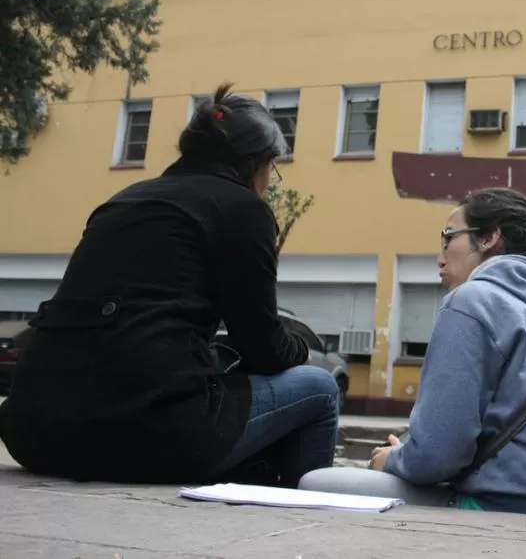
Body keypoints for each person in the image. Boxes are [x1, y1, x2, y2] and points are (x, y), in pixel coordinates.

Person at [0, 83, 340, 488]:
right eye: (273, 168)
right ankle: (296, 516)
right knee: (319, 387)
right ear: (258, 163)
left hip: (35, 432)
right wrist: (300, 352)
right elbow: (264, 348)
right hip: (144, 432)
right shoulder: (242, 208)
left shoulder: (124, 199)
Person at [300, 188, 526, 520]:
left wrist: (392, 459)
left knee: (316, 483)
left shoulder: (473, 300)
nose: (440, 256)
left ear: (488, 238)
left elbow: (438, 457)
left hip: (510, 509)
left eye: (447, 238)